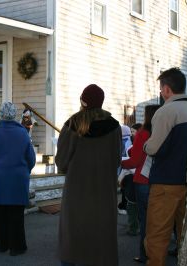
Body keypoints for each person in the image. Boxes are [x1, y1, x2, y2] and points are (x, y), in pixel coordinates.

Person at [55, 84, 121, 266]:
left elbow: (61, 162)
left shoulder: (72, 124)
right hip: (103, 193)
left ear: (83, 101)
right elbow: (116, 160)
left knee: (73, 242)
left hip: (77, 193)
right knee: (101, 244)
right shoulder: (114, 126)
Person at [143, 68, 187, 266]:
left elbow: (154, 148)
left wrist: (146, 145)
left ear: (167, 89)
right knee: (186, 234)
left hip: (165, 183)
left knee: (157, 236)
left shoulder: (166, 111)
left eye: (162, 88)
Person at [0, 101, 36, 256]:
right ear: (14, 115)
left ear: (1, 115)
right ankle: (17, 247)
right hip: (17, 180)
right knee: (16, 216)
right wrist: (26, 171)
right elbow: (30, 158)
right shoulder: (23, 133)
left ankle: (2, 244)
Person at [121, 104, 160, 263]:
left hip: (143, 180)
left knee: (145, 220)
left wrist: (120, 163)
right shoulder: (163, 130)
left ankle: (145, 254)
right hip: (161, 180)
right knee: (159, 220)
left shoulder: (143, 133)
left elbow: (135, 160)